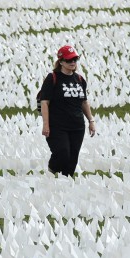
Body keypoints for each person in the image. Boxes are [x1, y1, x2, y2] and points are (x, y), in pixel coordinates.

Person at [39, 45, 96, 177]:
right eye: (69, 60)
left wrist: (91, 120)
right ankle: (52, 171)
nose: (73, 62)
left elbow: (84, 102)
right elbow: (45, 102)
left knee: (72, 158)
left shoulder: (80, 79)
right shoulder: (52, 78)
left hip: (77, 126)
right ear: (61, 62)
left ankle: (66, 184)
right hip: (58, 125)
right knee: (62, 153)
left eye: (75, 59)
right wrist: (45, 124)